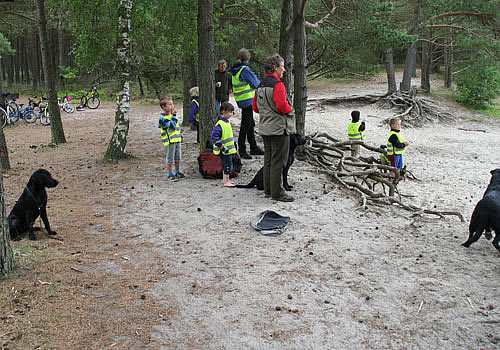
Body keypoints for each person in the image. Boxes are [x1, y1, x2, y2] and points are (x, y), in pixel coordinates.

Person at [252, 54, 294, 202]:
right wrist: (290, 109)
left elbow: (255, 108)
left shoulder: (260, 85)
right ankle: (277, 192)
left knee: (268, 160)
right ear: (275, 68)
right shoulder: (278, 85)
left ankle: (268, 190)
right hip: (278, 129)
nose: (284, 70)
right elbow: (283, 106)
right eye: (282, 66)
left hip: (264, 128)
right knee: (278, 161)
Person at [229, 48, 264, 159]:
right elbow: (256, 83)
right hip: (247, 100)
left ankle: (253, 147)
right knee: (245, 124)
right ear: (247, 59)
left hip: (241, 100)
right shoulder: (244, 69)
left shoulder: (235, 69)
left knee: (250, 123)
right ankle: (242, 149)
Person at [158, 96, 185, 181]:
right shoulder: (163, 118)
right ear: (164, 107)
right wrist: (174, 115)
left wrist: (181, 135)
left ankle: (177, 171)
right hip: (170, 142)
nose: (172, 106)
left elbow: (177, 126)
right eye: (170, 104)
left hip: (177, 140)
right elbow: (171, 125)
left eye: (172, 104)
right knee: (170, 158)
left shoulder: (172, 116)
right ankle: (170, 173)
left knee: (178, 157)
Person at [212, 102, 237, 187]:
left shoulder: (226, 122)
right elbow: (214, 137)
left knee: (227, 164)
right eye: (229, 112)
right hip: (224, 150)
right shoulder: (220, 124)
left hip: (227, 149)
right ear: (223, 111)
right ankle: (226, 182)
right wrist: (221, 146)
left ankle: (225, 179)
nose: (231, 114)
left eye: (232, 112)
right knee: (227, 165)